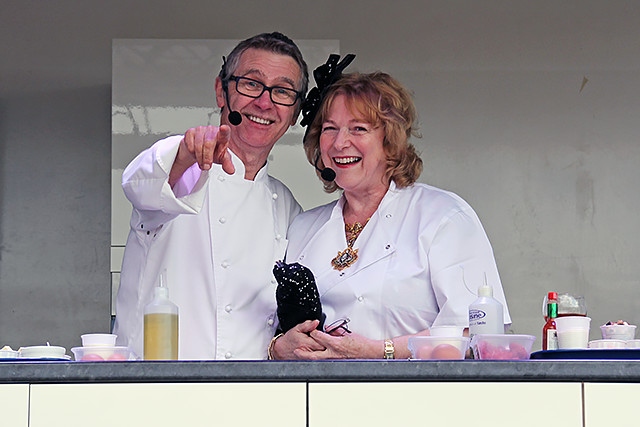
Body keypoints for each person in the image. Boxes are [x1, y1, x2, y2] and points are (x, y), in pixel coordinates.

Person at [269, 71, 511, 360]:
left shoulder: (444, 216)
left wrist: (377, 351)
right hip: (321, 398)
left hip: (415, 397)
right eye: (330, 128)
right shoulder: (303, 227)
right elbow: (275, 325)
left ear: (389, 140)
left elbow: (478, 333)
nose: (339, 143)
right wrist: (279, 348)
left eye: (358, 129)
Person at [113, 32, 309, 360]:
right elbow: (139, 182)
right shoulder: (186, 169)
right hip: (155, 394)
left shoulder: (287, 207)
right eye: (250, 83)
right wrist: (186, 152)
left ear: (294, 112)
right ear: (222, 91)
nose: (264, 102)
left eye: (283, 91)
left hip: (248, 396)